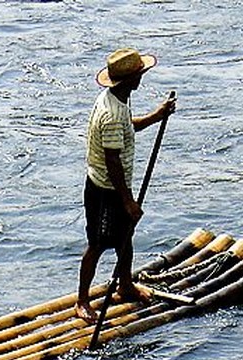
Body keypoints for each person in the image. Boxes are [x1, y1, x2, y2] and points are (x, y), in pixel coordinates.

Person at [75, 48, 176, 323]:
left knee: (125, 236)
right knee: (97, 243)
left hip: (114, 185)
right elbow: (113, 162)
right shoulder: (111, 113)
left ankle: (125, 285)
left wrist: (157, 116)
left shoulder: (118, 101)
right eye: (140, 75)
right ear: (133, 79)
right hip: (105, 189)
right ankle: (82, 301)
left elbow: (127, 127)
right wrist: (128, 201)